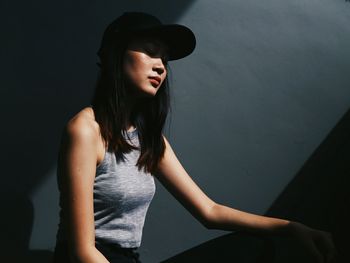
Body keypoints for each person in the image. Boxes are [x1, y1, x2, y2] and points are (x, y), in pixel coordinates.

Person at [53, 12, 336, 263]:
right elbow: (82, 252)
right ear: (117, 54)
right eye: (151, 51)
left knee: (247, 248)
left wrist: (290, 228)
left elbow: (209, 211)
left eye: (163, 59)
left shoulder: (150, 142)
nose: (161, 67)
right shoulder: (85, 131)